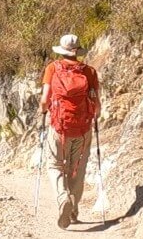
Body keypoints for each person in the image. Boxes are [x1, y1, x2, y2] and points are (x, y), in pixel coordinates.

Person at [38, 34, 100, 229]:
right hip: (82, 129)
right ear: (77, 51)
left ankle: (62, 197)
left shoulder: (52, 69)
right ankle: (73, 211)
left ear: (61, 50)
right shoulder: (89, 72)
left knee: (55, 165)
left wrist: (43, 110)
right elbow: (97, 104)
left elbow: (45, 99)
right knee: (77, 169)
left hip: (59, 127)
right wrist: (94, 116)